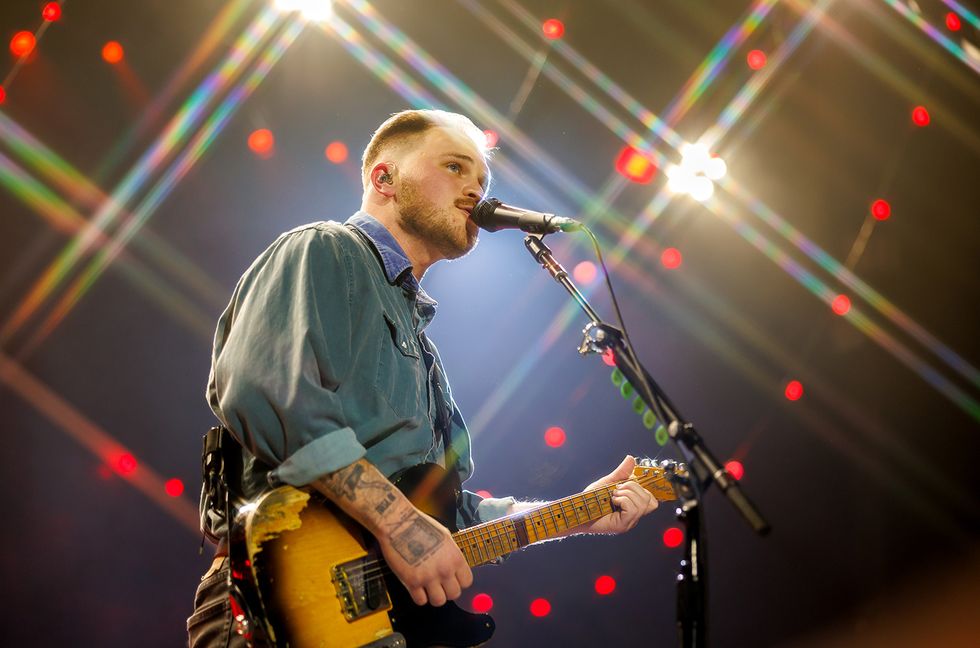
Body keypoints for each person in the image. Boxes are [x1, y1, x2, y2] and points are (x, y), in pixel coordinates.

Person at [187, 109, 659, 647]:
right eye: (455, 167)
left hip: (385, 624)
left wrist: (578, 512)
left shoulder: (423, 348)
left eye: (481, 180)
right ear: (383, 178)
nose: (474, 192)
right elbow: (265, 389)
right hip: (283, 606)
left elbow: (448, 512)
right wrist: (400, 525)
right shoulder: (324, 249)